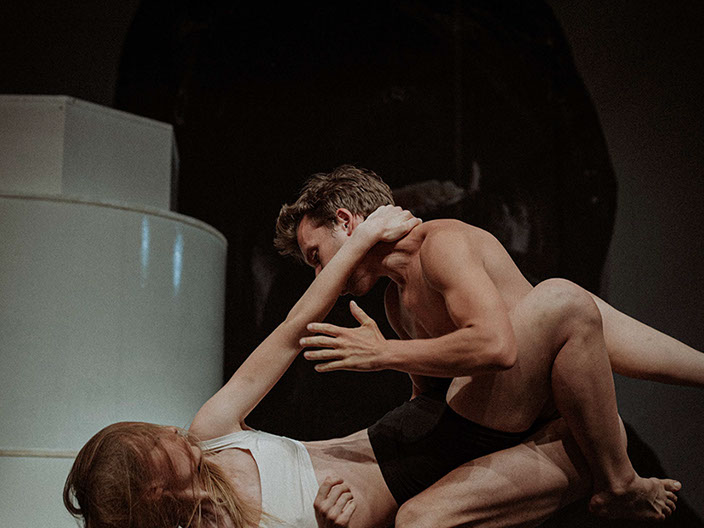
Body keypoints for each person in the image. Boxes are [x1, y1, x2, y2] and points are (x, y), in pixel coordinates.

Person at [63, 206, 676, 528]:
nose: (171, 432)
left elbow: (292, 330)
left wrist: (359, 242)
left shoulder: (210, 434)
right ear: (152, 491)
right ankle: (611, 475)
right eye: (158, 446)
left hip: (438, 428)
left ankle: (617, 475)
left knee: (557, 306)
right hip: (443, 489)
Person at [275, 165, 704, 526]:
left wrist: (382, 353)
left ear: (347, 222)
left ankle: (620, 481)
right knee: (418, 521)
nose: (321, 276)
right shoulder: (395, 301)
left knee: (563, 300)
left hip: (558, 413)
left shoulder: (441, 245)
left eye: (316, 256)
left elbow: (497, 348)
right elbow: (429, 404)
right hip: (522, 437)